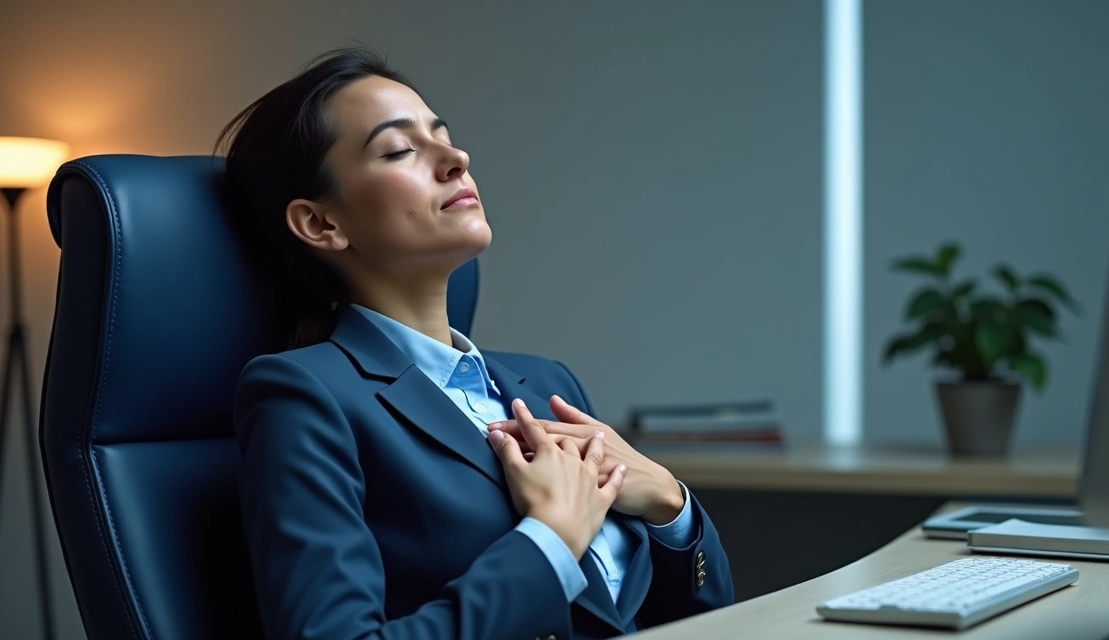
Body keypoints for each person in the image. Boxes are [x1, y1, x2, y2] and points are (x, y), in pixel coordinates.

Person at [218, 46, 734, 640]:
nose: (457, 158)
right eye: (399, 149)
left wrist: (672, 506)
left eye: (444, 136)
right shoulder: (304, 394)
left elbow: (708, 620)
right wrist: (551, 542)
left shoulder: (549, 383)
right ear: (320, 223)